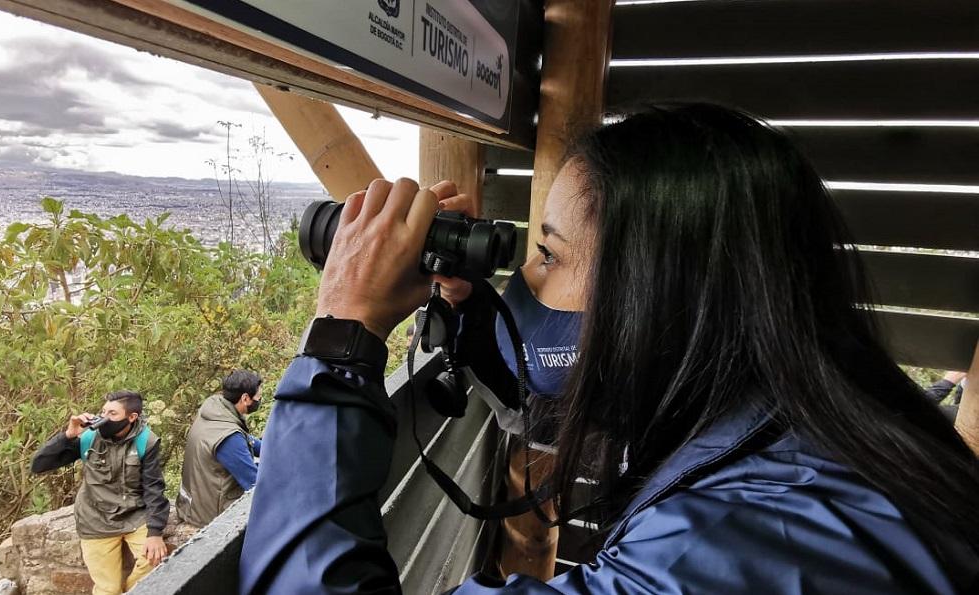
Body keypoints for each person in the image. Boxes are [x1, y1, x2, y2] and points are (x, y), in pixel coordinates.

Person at [239, 104, 979, 593]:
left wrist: (343, 335)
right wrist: (470, 319)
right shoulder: (788, 427)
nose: (525, 279)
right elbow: (560, 403)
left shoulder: (742, 547)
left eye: (549, 255)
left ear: (656, 296)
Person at [31, 390, 168, 595]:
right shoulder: (89, 437)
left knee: (154, 562)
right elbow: (39, 465)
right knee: (108, 589)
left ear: (132, 417)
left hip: (134, 516)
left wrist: (155, 533)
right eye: (103, 412)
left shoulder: (145, 441)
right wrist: (68, 436)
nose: (105, 418)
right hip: (95, 519)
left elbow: (153, 487)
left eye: (112, 414)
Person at [177, 370, 264, 528]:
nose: (259, 401)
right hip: (211, 514)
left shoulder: (215, 409)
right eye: (258, 398)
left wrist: (277, 449)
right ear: (245, 398)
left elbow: (250, 442)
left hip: (193, 504)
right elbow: (254, 483)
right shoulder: (229, 437)